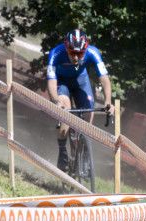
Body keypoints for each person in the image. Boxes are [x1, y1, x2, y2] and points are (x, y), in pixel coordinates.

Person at [46, 29, 113, 173]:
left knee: (89, 111)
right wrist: (55, 101)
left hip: (81, 82)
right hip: (61, 83)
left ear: (85, 49)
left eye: (80, 53)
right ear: (66, 47)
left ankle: (84, 151)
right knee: (65, 109)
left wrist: (108, 101)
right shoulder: (55, 53)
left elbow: (105, 79)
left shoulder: (93, 52)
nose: (76, 58)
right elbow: (51, 82)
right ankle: (63, 151)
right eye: (72, 53)